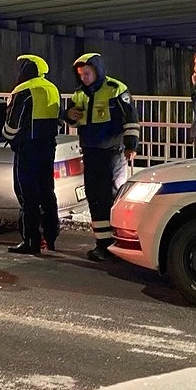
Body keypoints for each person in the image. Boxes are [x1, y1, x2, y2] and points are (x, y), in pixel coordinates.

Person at [64, 53, 139, 261]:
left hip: (112, 151)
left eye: (87, 73)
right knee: (95, 197)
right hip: (90, 151)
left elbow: (130, 119)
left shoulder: (115, 89)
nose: (84, 78)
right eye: (81, 74)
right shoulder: (79, 93)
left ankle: (118, 243)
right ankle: (102, 245)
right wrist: (68, 115)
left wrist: (131, 145)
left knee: (111, 196)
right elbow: (71, 118)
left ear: (97, 71)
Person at [2, 54, 61, 256]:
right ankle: (51, 236)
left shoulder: (23, 89)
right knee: (47, 192)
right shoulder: (52, 89)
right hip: (48, 147)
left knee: (27, 195)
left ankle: (31, 241)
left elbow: (12, 123)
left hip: (27, 149)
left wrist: (7, 137)